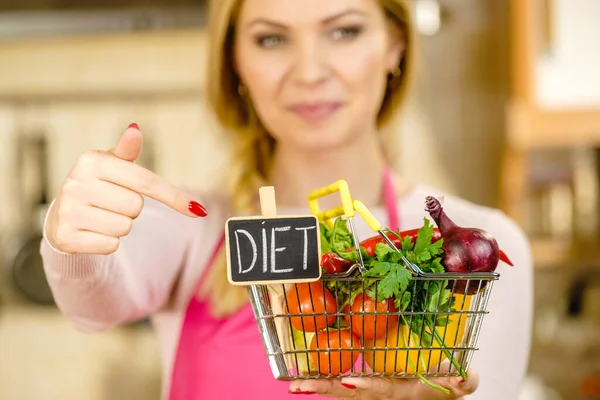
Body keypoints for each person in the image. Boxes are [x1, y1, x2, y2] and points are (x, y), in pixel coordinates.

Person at [40, 0, 534, 398]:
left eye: (343, 31)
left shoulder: (481, 246)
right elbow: (92, 303)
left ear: (395, 45)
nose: (309, 71)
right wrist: (73, 238)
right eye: (271, 38)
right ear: (235, 58)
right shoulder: (192, 228)